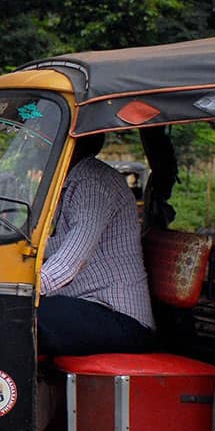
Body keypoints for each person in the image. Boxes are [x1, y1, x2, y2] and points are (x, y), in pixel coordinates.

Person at [37, 133, 155, 356]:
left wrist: (25, 290)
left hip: (120, 318)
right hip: (85, 305)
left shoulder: (92, 183)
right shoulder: (64, 185)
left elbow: (69, 263)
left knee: (17, 317)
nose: (38, 146)